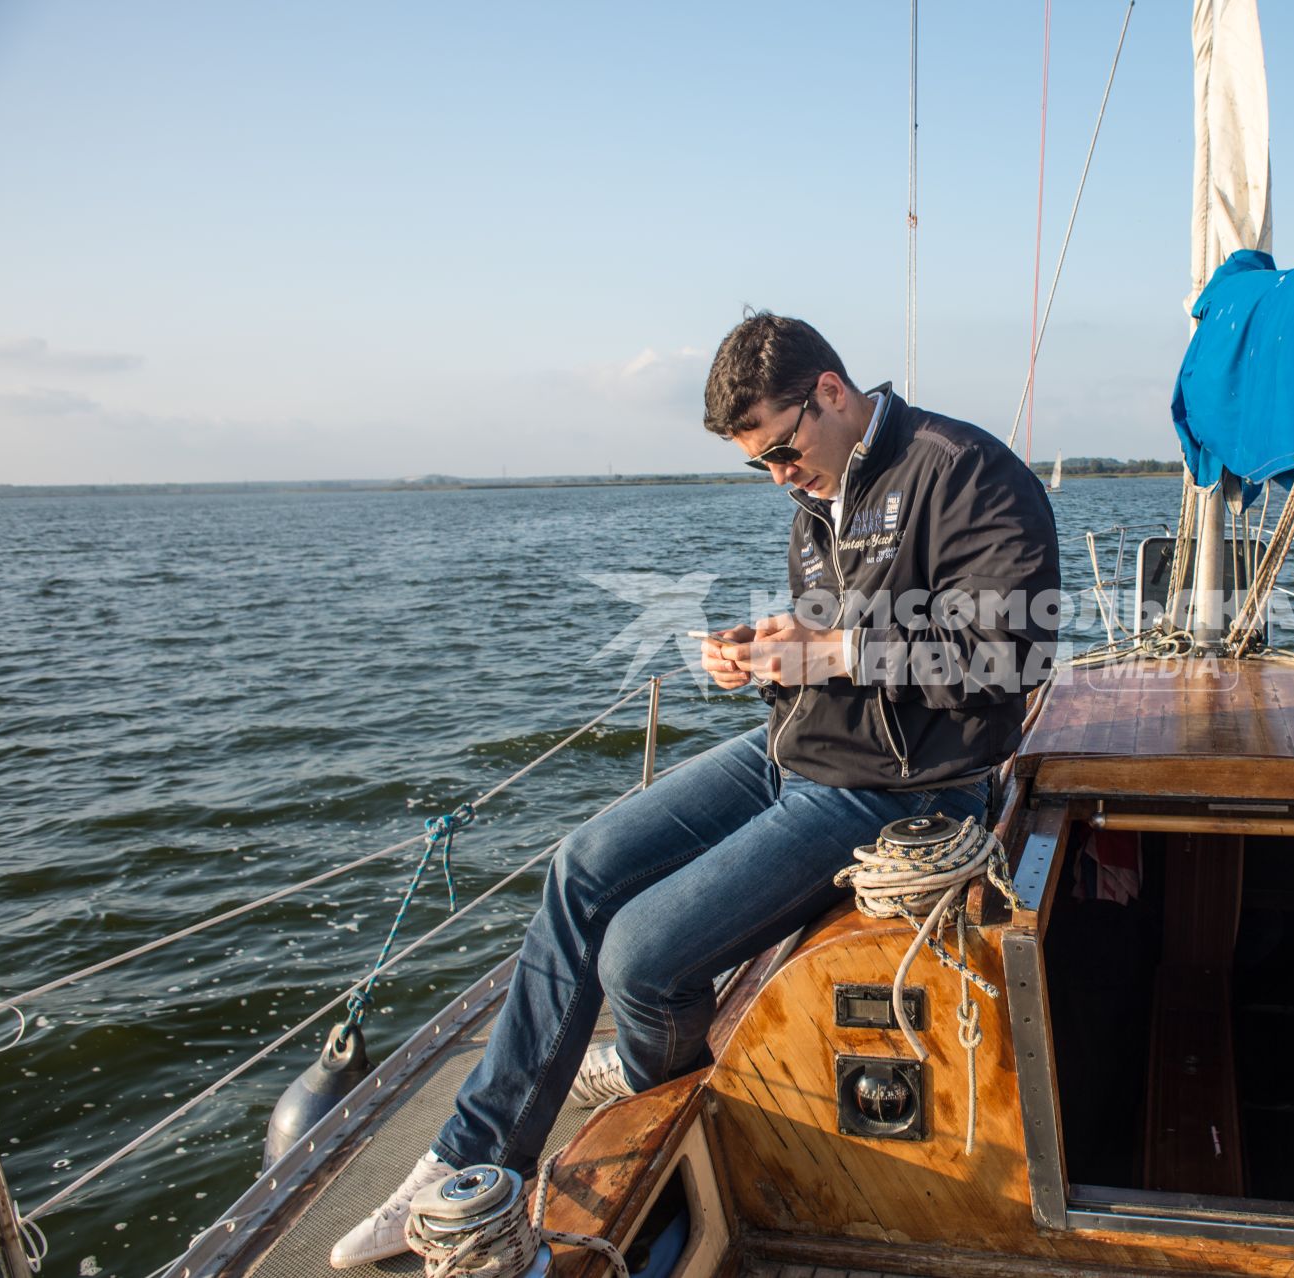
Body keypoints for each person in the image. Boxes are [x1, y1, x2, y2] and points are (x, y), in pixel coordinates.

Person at [331, 312, 1060, 1267]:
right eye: (759, 464)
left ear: (830, 394)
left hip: (904, 784)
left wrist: (831, 649)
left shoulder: (960, 469)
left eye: (783, 452)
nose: (779, 478)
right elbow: (843, 637)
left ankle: (649, 1087)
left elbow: (1010, 656)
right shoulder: (820, 491)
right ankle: (467, 1161)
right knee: (582, 866)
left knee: (639, 960)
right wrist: (768, 653)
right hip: (798, 748)